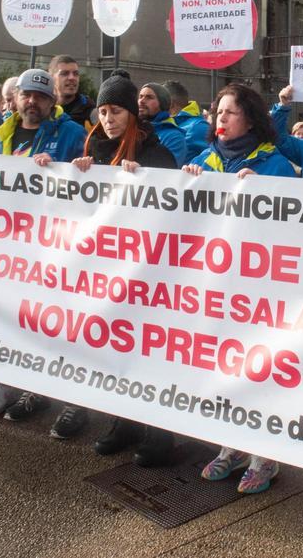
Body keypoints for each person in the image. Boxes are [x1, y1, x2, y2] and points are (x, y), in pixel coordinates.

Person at [184, 84, 295, 493]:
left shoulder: (274, 164)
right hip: (217, 285)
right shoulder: (204, 159)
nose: (221, 120)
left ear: (250, 118)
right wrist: (189, 181)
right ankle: (229, 446)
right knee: (224, 367)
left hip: (260, 288)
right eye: (218, 113)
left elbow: (293, 227)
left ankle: (264, 457)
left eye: (230, 113)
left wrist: (264, 191)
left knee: (258, 369)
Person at [73, 75, 180, 464]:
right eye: (102, 111)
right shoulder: (94, 149)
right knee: (116, 346)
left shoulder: (155, 152)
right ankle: (125, 421)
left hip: (149, 272)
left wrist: (145, 182)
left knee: (149, 350)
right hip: (108, 270)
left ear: (132, 113)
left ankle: (159, 431)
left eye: (115, 111)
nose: (108, 119)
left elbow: (177, 206)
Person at [0, 69, 87, 427]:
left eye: (41, 97)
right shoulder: (2, 134)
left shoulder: (72, 133)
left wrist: (63, 170)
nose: (32, 102)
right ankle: (22, 386)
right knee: (19, 317)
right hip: (12, 243)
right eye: (27, 95)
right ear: (14, 99)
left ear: (52, 102)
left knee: (60, 321)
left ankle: (72, 399)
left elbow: (91, 183)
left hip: (57, 245)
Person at [138, 83, 187, 167]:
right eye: (140, 96)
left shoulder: (174, 138)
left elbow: (166, 172)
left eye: (149, 97)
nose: (141, 101)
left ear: (162, 104)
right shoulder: (130, 129)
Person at [164, 80, 211, 161]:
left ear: (170, 103)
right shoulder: (161, 125)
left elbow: (216, 160)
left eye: (159, 101)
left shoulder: (198, 127)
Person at [49, 54, 97, 129]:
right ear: (51, 78)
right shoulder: (43, 109)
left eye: (76, 73)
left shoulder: (90, 111)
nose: (72, 78)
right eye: (64, 73)